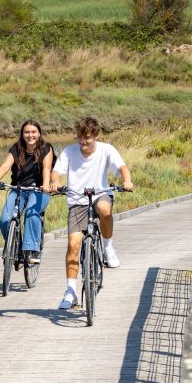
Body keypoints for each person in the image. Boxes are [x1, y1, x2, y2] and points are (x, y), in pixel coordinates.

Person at [49, 117, 133, 311]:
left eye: (87, 138)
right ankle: (70, 291)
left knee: (104, 210)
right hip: (77, 198)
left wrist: (127, 181)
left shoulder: (107, 149)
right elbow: (57, 171)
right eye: (79, 137)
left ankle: (107, 247)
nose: (83, 142)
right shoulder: (69, 151)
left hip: (99, 193)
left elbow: (122, 168)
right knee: (73, 244)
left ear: (95, 136)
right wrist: (54, 182)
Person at [0, 120, 54, 266]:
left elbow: (47, 168)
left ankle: (32, 249)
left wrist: (46, 185)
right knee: (5, 219)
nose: (30, 135)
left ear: (39, 133)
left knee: (31, 213)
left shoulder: (46, 148)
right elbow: (5, 165)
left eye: (33, 132)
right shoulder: (17, 148)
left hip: (38, 190)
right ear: (22, 134)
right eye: (27, 132)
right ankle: (16, 247)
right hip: (18, 189)